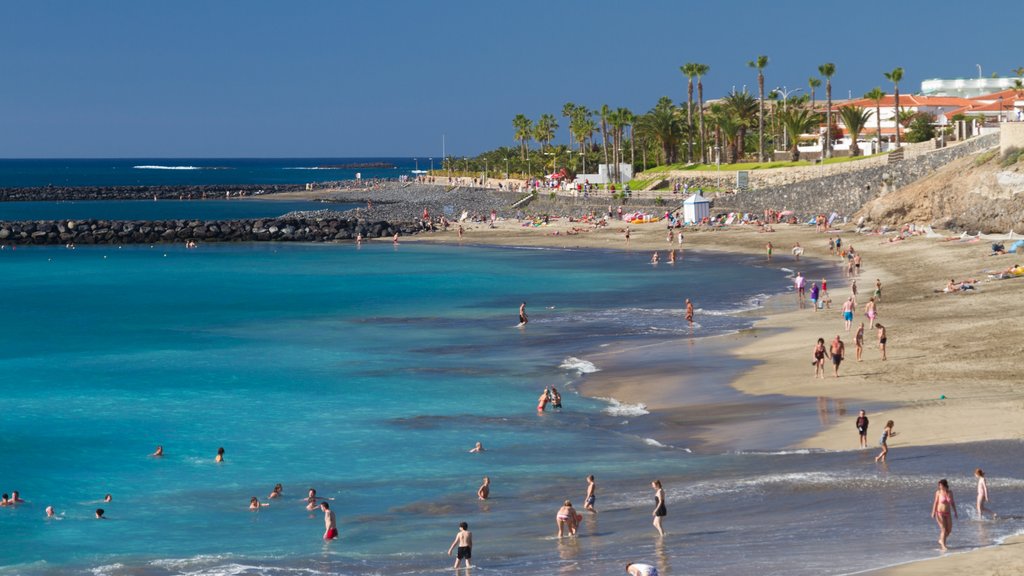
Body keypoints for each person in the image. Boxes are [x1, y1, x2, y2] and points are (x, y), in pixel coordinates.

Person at [931, 479, 958, 551]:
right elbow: (935, 502)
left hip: (948, 513)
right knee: (943, 529)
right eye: (939, 485)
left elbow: (952, 503)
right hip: (939, 513)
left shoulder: (950, 492)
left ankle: (941, 540)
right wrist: (933, 512)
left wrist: (955, 512)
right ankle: (943, 545)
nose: (939, 486)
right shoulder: (938, 492)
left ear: (944, 485)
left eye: (941, 485)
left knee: (949, 530)